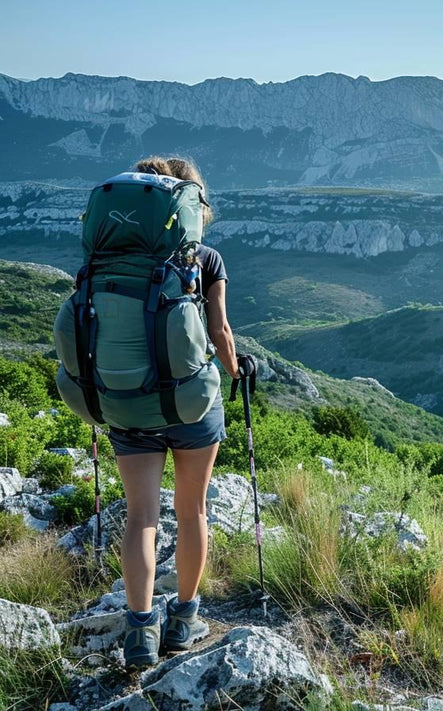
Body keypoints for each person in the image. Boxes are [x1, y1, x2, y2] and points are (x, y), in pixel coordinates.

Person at [113, 156, 255, 668]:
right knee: (191, 510)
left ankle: (139, 633)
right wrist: (237, 370)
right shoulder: (206, 259)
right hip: (192, 405)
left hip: (127, 402)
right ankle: (184, 620)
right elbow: (219, 333)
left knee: (142, 517)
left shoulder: (109, 260)